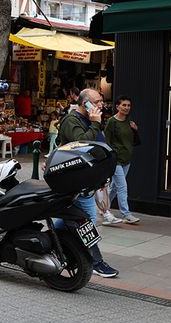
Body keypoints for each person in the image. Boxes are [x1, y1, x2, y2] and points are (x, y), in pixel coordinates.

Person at [57, 88, 119, 278]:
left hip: (86, 179)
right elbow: (82, 143)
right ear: (86, 104)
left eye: (101, 101)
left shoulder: (92, 121)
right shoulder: (72, 120)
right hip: (73, 180)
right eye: (98, 101)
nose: (101, 105)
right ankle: (95, 261)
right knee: (88, 220)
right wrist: (94, 124)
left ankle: (57, 243)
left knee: (67, 218)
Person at [104, 96, 140, 224]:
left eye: (128, 105)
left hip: (127, 158)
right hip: (116, 159)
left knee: (114, 187)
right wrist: (112, 154)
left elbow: (133, 141)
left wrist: (135, 130)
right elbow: (106, 141)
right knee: (122, 186)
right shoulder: (112, 122)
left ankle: (103, 209)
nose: (126, 108)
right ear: (117, 106)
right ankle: (126, 214)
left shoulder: (129, 122)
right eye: (124, 105)